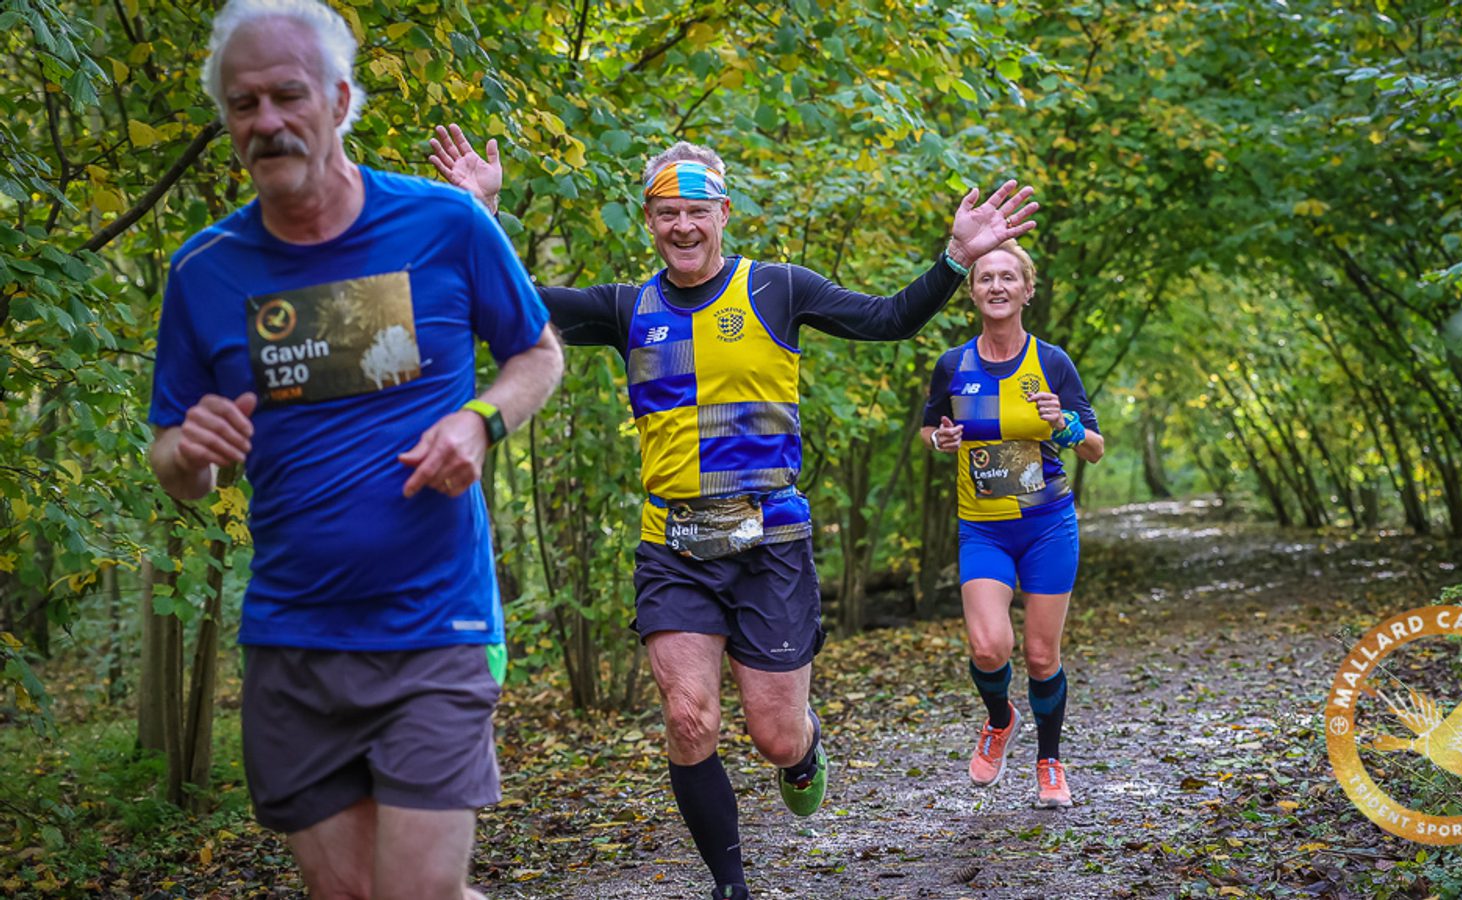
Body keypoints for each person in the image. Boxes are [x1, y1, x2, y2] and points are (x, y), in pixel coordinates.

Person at [430, 128, 1037, 899]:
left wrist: (956, 259)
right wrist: (480, 209)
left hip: (769, 542)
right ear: (648, 221)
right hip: (673, 544)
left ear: (723, 214)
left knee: (774, 733)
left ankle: (805, 752)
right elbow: (509, 297)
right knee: (688, 719)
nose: (681, 225)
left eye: (696, 210)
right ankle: (731, 885)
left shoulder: (777, 289)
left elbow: (887, 319)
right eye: (665, 212)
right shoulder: (628, 308)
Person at [146, 3, 563, 898]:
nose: (264, 122)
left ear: (339, 100)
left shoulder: (446, 225)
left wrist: (479, 422)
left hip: (433, 627)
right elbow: (174, 459)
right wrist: (193, 452)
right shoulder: (204, 271)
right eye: (241, 103)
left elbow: (539, 354)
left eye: (286, 96)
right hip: (292, 643)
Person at [921, 240, 1103, 809]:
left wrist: (1065, 424)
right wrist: (941, 440)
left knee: (1041, 656)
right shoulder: (953, 365)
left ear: (1027, 289)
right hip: (984, 528)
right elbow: (931, 431)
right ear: (972, 292)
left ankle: (1050, 762)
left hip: (1047, 526)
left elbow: (1095, 447)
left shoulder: (1051, 362)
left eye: (1007, 278)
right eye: (984, 278)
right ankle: (1000, 720)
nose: (996, 287)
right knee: (988, 647)